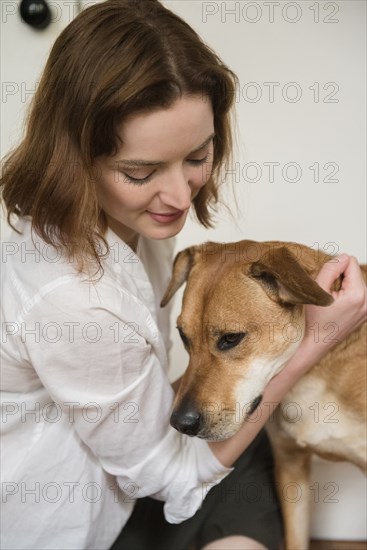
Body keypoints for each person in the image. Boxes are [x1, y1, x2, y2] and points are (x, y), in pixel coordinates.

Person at [1, 1, 366, 549]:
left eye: (198, 155)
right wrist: (317, 338)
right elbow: (168, 475)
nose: (178, 198)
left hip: (137, 476)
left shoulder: (137, 225)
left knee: (262, 433)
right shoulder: (74, 300)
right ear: (74, 157)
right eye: (140, 172)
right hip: (79, 524)